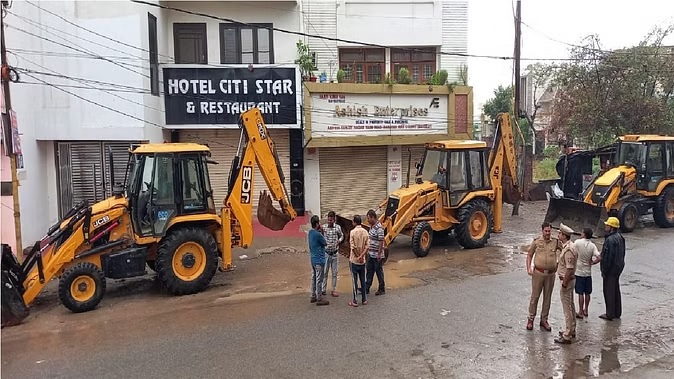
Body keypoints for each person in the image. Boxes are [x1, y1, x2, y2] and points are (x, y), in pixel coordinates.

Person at [525, 222, 560, 331]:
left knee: (547, 297)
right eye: (546, 231)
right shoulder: (536, 242)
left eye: (549, 231)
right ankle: (531, 319)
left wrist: (558, 264)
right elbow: (529, 254)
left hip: (550, 274)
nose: (548, 233)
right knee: (535, 296)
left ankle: (544, 319)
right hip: (538, 273)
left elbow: (564, 251)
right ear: (542, 231)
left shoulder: (555, 242)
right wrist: (528, 268)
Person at [555, 223, 578, 345]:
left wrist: (564, 284)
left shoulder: (568, 249)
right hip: (569, 280)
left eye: (560, 233)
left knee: (567, 308)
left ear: (564, 236)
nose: (558, 235)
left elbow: (569, 269)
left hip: (567, 280)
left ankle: (567, 334)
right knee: (571, 305)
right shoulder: (569, 246)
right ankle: (572, 329)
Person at [599, 217, 625, 321]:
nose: (605, 226)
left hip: (610, 269)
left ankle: (609, 313)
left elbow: (607, 257)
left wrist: (604, 270)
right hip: (618, 267)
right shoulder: (620, 237)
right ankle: (617, 312)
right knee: (616, 290)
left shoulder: (609, 240)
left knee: (608, 291)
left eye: (607, 225)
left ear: (612, 227)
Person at [574, 228, 601, 319]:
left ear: (584, 234)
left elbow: (571, 250)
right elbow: (599, 257)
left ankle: (580, 311)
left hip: (579, 271)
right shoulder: (592, 246)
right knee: (587, 293)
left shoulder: (577, 243)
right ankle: (586, 310)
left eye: (582, 233)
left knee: (580, 293)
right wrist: (593, 263)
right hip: (588, 272)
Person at [321, 211, 344, 298]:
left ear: (334, 220)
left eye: (331, 220)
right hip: (326, 253)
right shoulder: (324, 227)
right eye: (328, 220)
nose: (329, 222)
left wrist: (339, 241)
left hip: (335, 253)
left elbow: (342, 236)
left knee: (335, 272)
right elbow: (321, 236)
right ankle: (323, 289)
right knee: (325, 272)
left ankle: (333, 289)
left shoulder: (338, 228)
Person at [307, 215, 329, 306]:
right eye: (319, 222)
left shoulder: (310, 233)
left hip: (312, 259)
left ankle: (313, 295)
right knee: (319, 279)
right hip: (319, 260)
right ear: (316, 224)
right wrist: (322, 232)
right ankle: (319, 298)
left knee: (314, 277)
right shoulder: (318, 234)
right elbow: (325, 243)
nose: (320, 224)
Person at [348, 214, 369, 307]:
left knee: (354, 281)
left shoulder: (352, 232)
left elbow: (353, 247)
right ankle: (364, 299)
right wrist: (362, 256)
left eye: (352, 221)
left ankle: (355, 301)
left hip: (354, 261)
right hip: (362, 261)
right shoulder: (365, 232)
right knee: (362, 280)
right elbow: (367, 246)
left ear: (355, 222)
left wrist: (357, 257)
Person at [365, 209, 386, 296]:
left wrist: (379, 254)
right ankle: (366, 288)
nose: (368, 220)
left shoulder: (379, 228)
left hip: (377, 254)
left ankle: (382, 288)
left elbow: (381, 241)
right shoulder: (372, 226)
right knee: (369, 270)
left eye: (369, 218)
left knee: (378, 271)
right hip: (371, 253)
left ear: (373, 217)